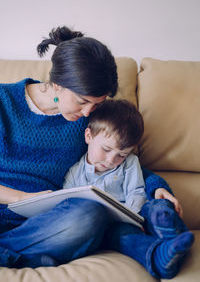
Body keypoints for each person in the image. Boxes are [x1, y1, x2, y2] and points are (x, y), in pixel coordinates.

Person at [0, 25, 193, 277]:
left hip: (52, 222)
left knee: (90, 215)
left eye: (97, 103)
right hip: (6, 209)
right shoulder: (4, 101)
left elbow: (118, 161)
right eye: (82, 101)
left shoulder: (88, 120)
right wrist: (18, 198)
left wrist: (158, 188)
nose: (89, 112)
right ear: (58, 84)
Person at [62, 99, 194, 279]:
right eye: (106, 149)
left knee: (158, 206)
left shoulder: (130, 163)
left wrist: (134, 218)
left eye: (121, 154)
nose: (111, 160)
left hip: (136, 214)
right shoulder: (74, 173)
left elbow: (136, 192)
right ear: (89, 136)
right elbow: (67, 204)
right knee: (122, 237)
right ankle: (162, 255)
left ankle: (168, 229)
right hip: (109, 226)